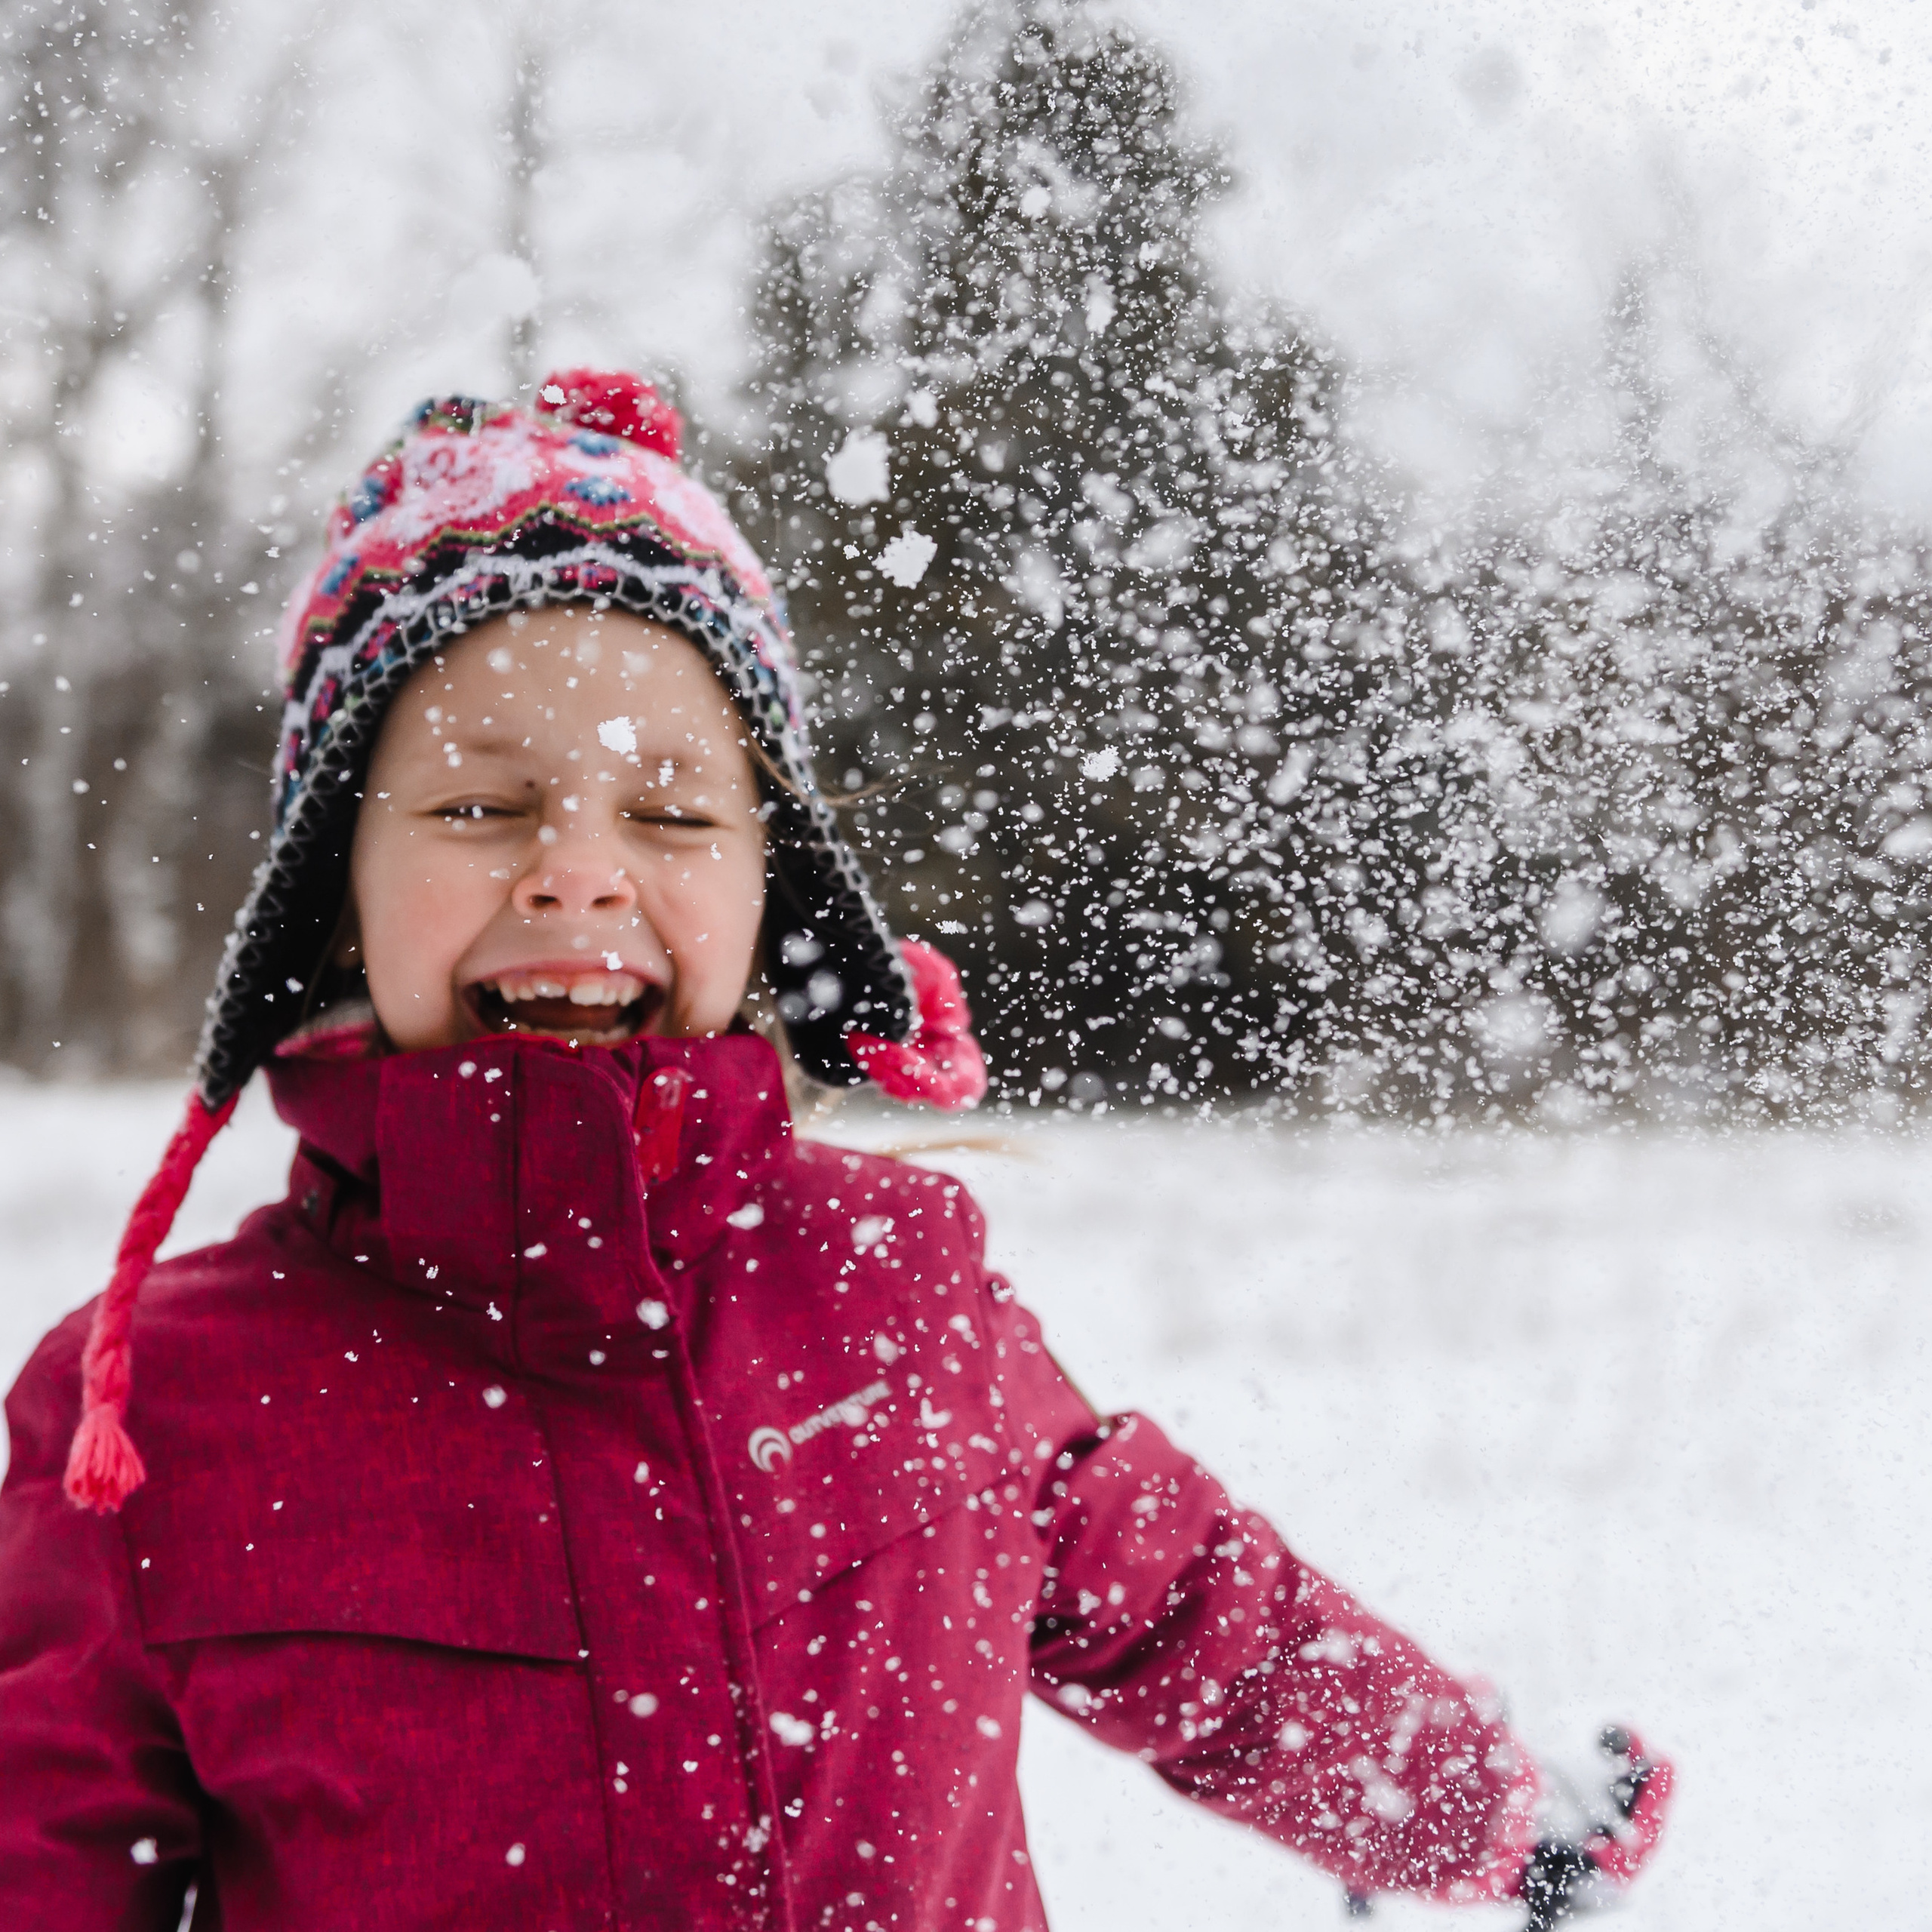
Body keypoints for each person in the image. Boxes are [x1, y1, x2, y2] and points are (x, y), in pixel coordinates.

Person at [0, 371, 1671, 1929]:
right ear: (330, 896)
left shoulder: (897, 1296)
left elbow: (1187, 1616)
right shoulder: (155, 1415)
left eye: (669, 811)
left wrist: (1484, 1800)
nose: (578, 869)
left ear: (773, 886)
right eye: (477, 804)